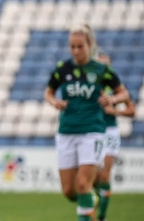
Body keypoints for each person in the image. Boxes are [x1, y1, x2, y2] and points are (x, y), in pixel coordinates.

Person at [44, 24, 129, 221]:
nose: (75, 51)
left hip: (92, 131)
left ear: (89, 45)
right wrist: (54, 101)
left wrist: (113, 100)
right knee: (69, 191)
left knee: (83, 183)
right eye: (72, 47)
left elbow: (123, 93)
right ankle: (92, 198)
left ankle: (91, 203)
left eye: (80, 46)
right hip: (66, 130)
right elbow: (48, 92)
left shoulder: (101, 70)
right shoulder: (62, 69)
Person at [94, 50, 135, 221]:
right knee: (92, 178)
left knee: (104, 175)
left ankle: (101, 216)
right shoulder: (90, 84)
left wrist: (112, 110)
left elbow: (132, 110)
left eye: (106, 65)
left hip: (110, 130)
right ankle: (95, 203)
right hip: (93, 131)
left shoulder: (116, 87)